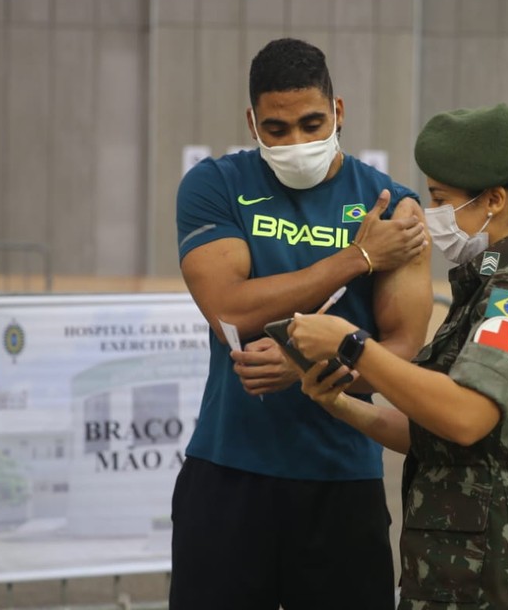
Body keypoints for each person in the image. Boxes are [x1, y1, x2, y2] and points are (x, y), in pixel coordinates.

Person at [170, 38, 433, 610]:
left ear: (338, 112)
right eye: (277, 128)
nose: (297, 142)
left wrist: (303, 364)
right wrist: (356, 260)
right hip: (229, 469)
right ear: (252, 122)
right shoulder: (215, 185)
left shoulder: (391, 207)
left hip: (341, 480)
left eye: (312, 122)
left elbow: (404, 350)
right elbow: (231, 310)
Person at [288, 103, 508, 609]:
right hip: (456, 568)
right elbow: (436, 434)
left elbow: (466, 416)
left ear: (493, 199)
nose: (430, 215)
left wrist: (352, 344)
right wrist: (339, 404)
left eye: (441, 199)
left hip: (498, 571)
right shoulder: (485, 285)